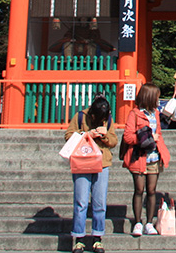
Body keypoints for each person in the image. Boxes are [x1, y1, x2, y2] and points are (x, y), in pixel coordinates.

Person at [65, 94, 118, 253]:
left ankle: (97, 237)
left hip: (102, 163)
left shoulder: (108, 119)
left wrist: (105, 135)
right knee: (80, 201)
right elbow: (68, 136)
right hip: (83, 162)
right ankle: (79, 238)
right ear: (93, 114)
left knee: (99, 202)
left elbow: (114, 141)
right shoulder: (81, 116)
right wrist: (88, 135)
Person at [123, 83, 171, 237]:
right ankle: (137, 222)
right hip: (139, 156)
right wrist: (147, 138)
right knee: (139, 190)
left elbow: (159, 133)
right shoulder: (135, 114)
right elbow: (128, 136)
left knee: (151, 191)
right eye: (156, 97)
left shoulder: (155, 113)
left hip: (154, 156)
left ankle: (149, 222)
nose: (158, 100)